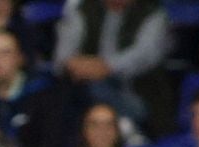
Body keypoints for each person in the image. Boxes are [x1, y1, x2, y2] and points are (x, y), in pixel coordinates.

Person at [53, 0, 172, 132]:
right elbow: (63, 58)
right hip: (86, 84)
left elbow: (145, 54)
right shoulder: (83, 9)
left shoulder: (153, 13)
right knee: (73, 91)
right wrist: (77, 66)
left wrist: (106, 66)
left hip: (136, 90)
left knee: (94, 90)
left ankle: (128, 132)